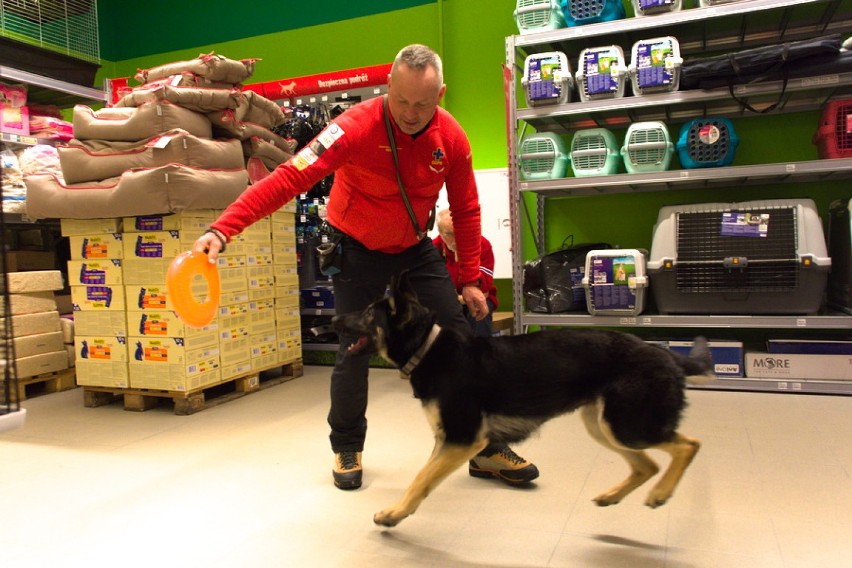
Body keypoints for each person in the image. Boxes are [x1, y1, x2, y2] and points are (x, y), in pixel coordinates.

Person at [193, 44, 538, 490]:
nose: (411, 114)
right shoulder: (351, 127)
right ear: (388, 87)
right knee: (355, 348)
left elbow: (467, 208)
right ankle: (347, 447)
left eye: (423, 104)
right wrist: (223, 230)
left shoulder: (450, 137)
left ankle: (485, 448)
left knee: (461, 339)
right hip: (355, 248)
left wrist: (469, 279)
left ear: (441, 95)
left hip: (414, 248)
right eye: (402, 101)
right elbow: (289, 178)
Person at [433, 208, 540, 482]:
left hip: (478, 300)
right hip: (447, 307)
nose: (455, 240)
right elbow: (432, 289)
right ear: (439, 232)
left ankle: (480, 370)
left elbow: (482, 284)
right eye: (449, 235)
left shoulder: (481, 245)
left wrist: (462, 289)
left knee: (477, 312)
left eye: (459, 234)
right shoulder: (432, 250)